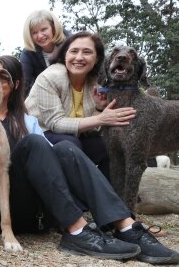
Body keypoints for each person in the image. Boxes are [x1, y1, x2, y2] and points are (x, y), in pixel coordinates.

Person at [0, 55, 179, 264]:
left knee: (65, 149)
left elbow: (52, 161)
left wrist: (96, 112)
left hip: (34, 206)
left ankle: (126, 225)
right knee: (39, 143)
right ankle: (77, 231)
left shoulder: (27, 121)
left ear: (12, 86)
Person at [25, 31, 130, 180]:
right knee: (70, 143)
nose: (79, 57)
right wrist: (101, 118)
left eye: (87, 52)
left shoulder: (93, 82)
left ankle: (112, 193)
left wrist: (99, 108)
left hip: (72, 140)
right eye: (74, 51)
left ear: (97, 58)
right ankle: (84, 197)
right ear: (65, 55)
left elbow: (88, 129)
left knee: (109, 145)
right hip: (38, 135)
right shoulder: (50, 77)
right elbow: (55, 123)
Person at [20, 9, 68, 97]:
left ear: (53, 28)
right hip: (45, 95)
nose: (40, 36)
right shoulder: (28, 53)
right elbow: (24, 84)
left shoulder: (70, 42)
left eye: (43, 29)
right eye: (34, 33)